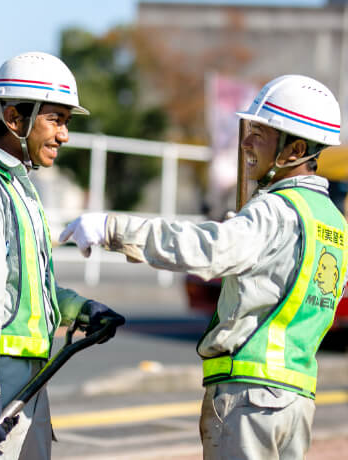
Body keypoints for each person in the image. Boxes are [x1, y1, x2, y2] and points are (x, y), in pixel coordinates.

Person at [59, 74, 348, 459]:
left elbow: (206, 250)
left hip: (250, 395)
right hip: (295, 402)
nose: (246, 142)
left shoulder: (274, 210)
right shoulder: (332, 222)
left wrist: (114, 229)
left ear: (294, 149)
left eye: (259, 134)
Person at [0, 51, 125, 459]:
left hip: (28, 381)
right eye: (56, 120)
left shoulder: (20, 189)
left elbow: (29, 288)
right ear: (14, 119)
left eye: (66, 122)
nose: (64, 135)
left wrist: (83, 309)